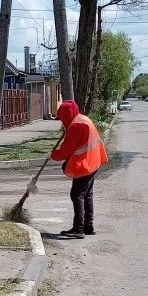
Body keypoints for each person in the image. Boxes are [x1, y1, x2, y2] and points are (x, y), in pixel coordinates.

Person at [50, 99, 108, 238]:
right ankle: (88, 227)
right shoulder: (82, 119)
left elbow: (66, 150)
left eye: (62, 118)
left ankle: (79, 229)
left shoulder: (76, 126)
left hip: (85, 164)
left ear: (67, 115)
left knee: (77, 194)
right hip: (94, 160)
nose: (62, 121)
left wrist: (53, 155)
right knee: (87, 194)